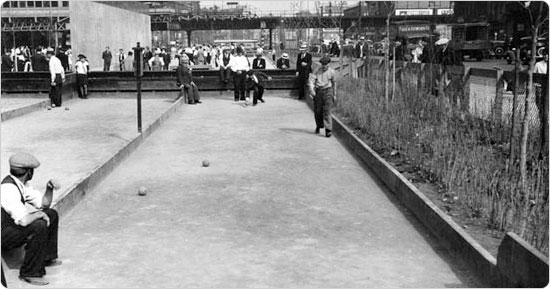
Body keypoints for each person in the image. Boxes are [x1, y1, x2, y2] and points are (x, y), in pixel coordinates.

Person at [1, 152, 62, 286]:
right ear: (28, 172)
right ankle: (30, 272)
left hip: (10, 228)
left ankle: (46, 257)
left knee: (51, 213)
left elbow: (43, 204)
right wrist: (38, 215)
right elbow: (23, 220)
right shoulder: (8, 189)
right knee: (38, 225)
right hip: (3, 234)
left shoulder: (21, 185)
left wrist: (49, 188)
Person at [309, 56, 337, 138]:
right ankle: (319, 125)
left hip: (328, 91)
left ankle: (328, 130)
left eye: (327, 65)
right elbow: (311, 81)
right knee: (318, 111)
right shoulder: (317, 70)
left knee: (327, 111)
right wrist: (312, 90)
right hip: (318, 91)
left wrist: (334, 95)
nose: (325, 67)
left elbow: (334, 84)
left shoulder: (332, 72)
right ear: (321, 64)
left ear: (329, 64)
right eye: (323, 65)